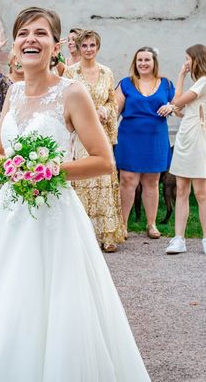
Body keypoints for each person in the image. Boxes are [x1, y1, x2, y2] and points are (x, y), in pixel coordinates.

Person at [0, 7, 151, 381]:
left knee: (56, 304)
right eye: (24, 33)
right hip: (11, 214)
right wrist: (14, 168)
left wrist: (50, 169)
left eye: (41, 33)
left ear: (56, 45)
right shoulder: (14, 93)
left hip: (54, 215)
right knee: (3, 301)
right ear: (16, 46)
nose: (31, 39)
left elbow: (104, 160)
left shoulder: (72, 93)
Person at [65, 30, 125, 252]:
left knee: (103, 180)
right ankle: (82, 234)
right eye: (84, 46)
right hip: (80, 135)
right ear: (78, 49)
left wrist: (105, 110)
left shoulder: (107, 72)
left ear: (97, 47)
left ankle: (107, 234)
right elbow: (65, 102)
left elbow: (113, 101)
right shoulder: (70, 73)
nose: (88, 49)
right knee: (82, 179)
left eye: (92, 45)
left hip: (101, 132)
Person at [166, 44, 206, 255]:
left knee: (200, 191)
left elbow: (177, 102)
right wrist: (177, 108)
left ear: (196, 59)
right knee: (181, 189)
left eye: (187, 59)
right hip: (186, 136)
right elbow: (182, 109)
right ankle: (179, 239)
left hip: (199, 138)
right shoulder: (202, 83)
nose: (185, 63)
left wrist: (180, 76)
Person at [115, 47, 176, 239]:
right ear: (135, 62)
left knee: (152, 181)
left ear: (154, 62)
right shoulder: (126, 83)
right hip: (129, 137)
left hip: (155, 138)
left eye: (147, 60)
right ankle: (122, 225)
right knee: (127, 181)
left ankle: (151, 224)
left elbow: (179, 107)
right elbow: (114, 111)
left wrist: (171, 106)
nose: (143, 63)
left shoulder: (166, 84)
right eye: (139, 60)